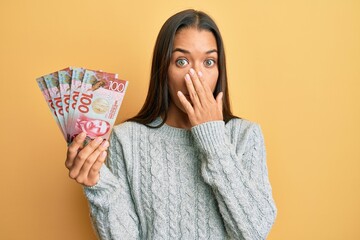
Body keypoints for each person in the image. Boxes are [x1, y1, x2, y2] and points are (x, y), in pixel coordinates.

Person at [65, 9, 277, 240]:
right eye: (182, 61)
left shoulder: (245, 135)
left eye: (209, 61)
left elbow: (255, 233)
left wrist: (213, 138)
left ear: (219, 69)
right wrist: (99, 185)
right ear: (163, 70)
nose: (196, 75)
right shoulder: (126, 140)